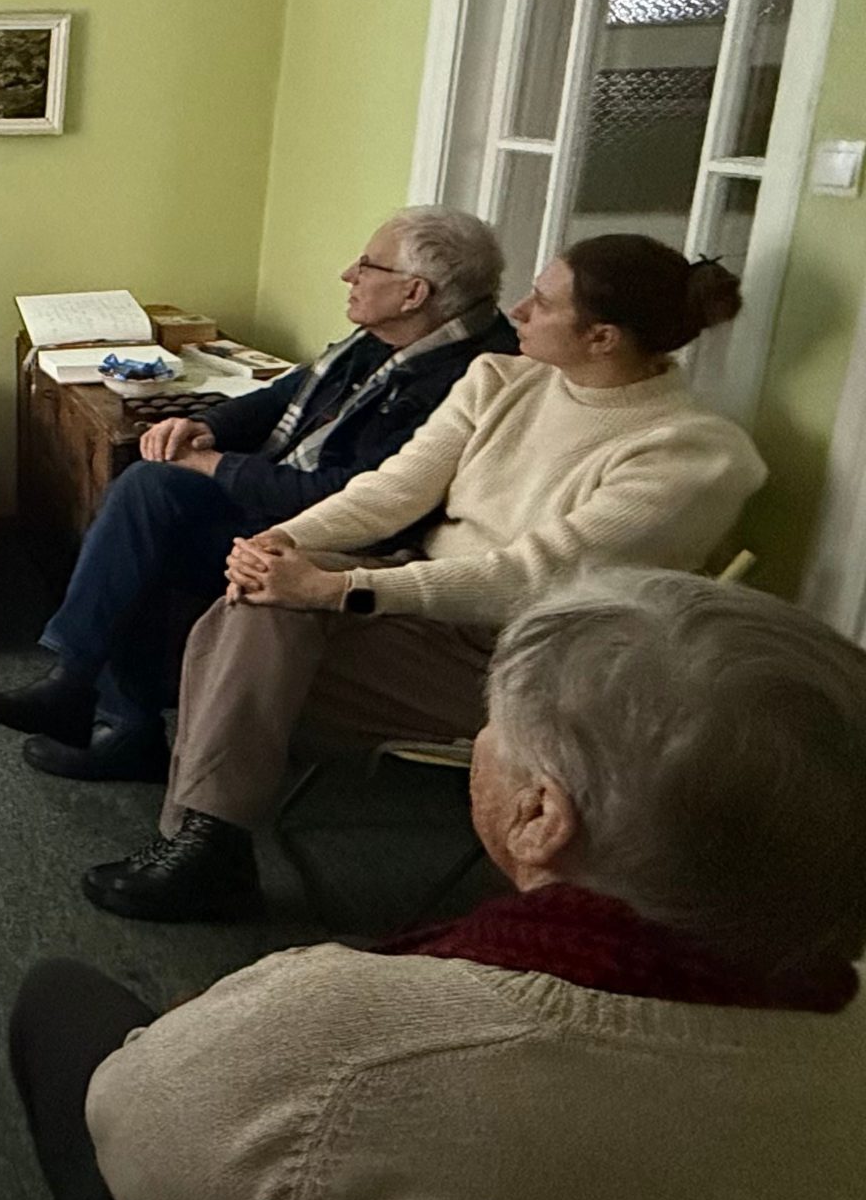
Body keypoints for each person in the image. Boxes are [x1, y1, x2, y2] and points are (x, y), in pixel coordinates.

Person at [8, 571, 866, 1200]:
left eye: (494, 728)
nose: (482, 742)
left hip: (225, 1093)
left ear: (539, 816)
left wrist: (222, 1033)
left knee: (61, 999)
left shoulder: (348, 1039)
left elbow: (133, 1139)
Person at [82, 234, 766, 922]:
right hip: (425, 605)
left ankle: (201, 838)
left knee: (244, 638)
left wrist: (342, 589)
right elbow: (392, 491)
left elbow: (530, 577)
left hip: (535, 660)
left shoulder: (692, 452)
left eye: (543, 301)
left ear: (602, 337)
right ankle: (208, 843)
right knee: (257, 598)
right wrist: (283, 541)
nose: (519, 310)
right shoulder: (501, 379)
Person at [0, 208, 515, 781]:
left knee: (148, 512)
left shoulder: (463, 376)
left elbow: (350, 498)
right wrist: (207, 426)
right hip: (281, 490)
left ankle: (97, 700)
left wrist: (215, 465)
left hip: (338, 540)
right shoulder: (396, 335)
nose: (348, 274)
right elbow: (288, 391)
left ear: (413, 292)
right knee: (144, 505)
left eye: (367, 265)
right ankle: (101, 705)